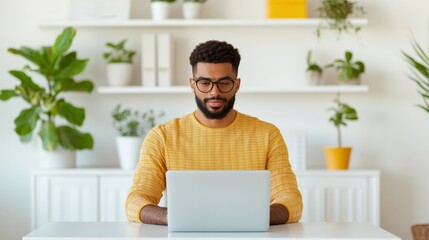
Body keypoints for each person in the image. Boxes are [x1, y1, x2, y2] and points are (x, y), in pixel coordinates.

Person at [125, 40, 303, 226]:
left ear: (237, 85)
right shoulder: (162, 137)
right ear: (192, 84)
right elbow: (135, 201)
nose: (214, 92)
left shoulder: (267, 135)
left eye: (224, 82)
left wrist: (251, 216)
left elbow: (291, 200)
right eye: (205, 83)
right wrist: (171, 217)